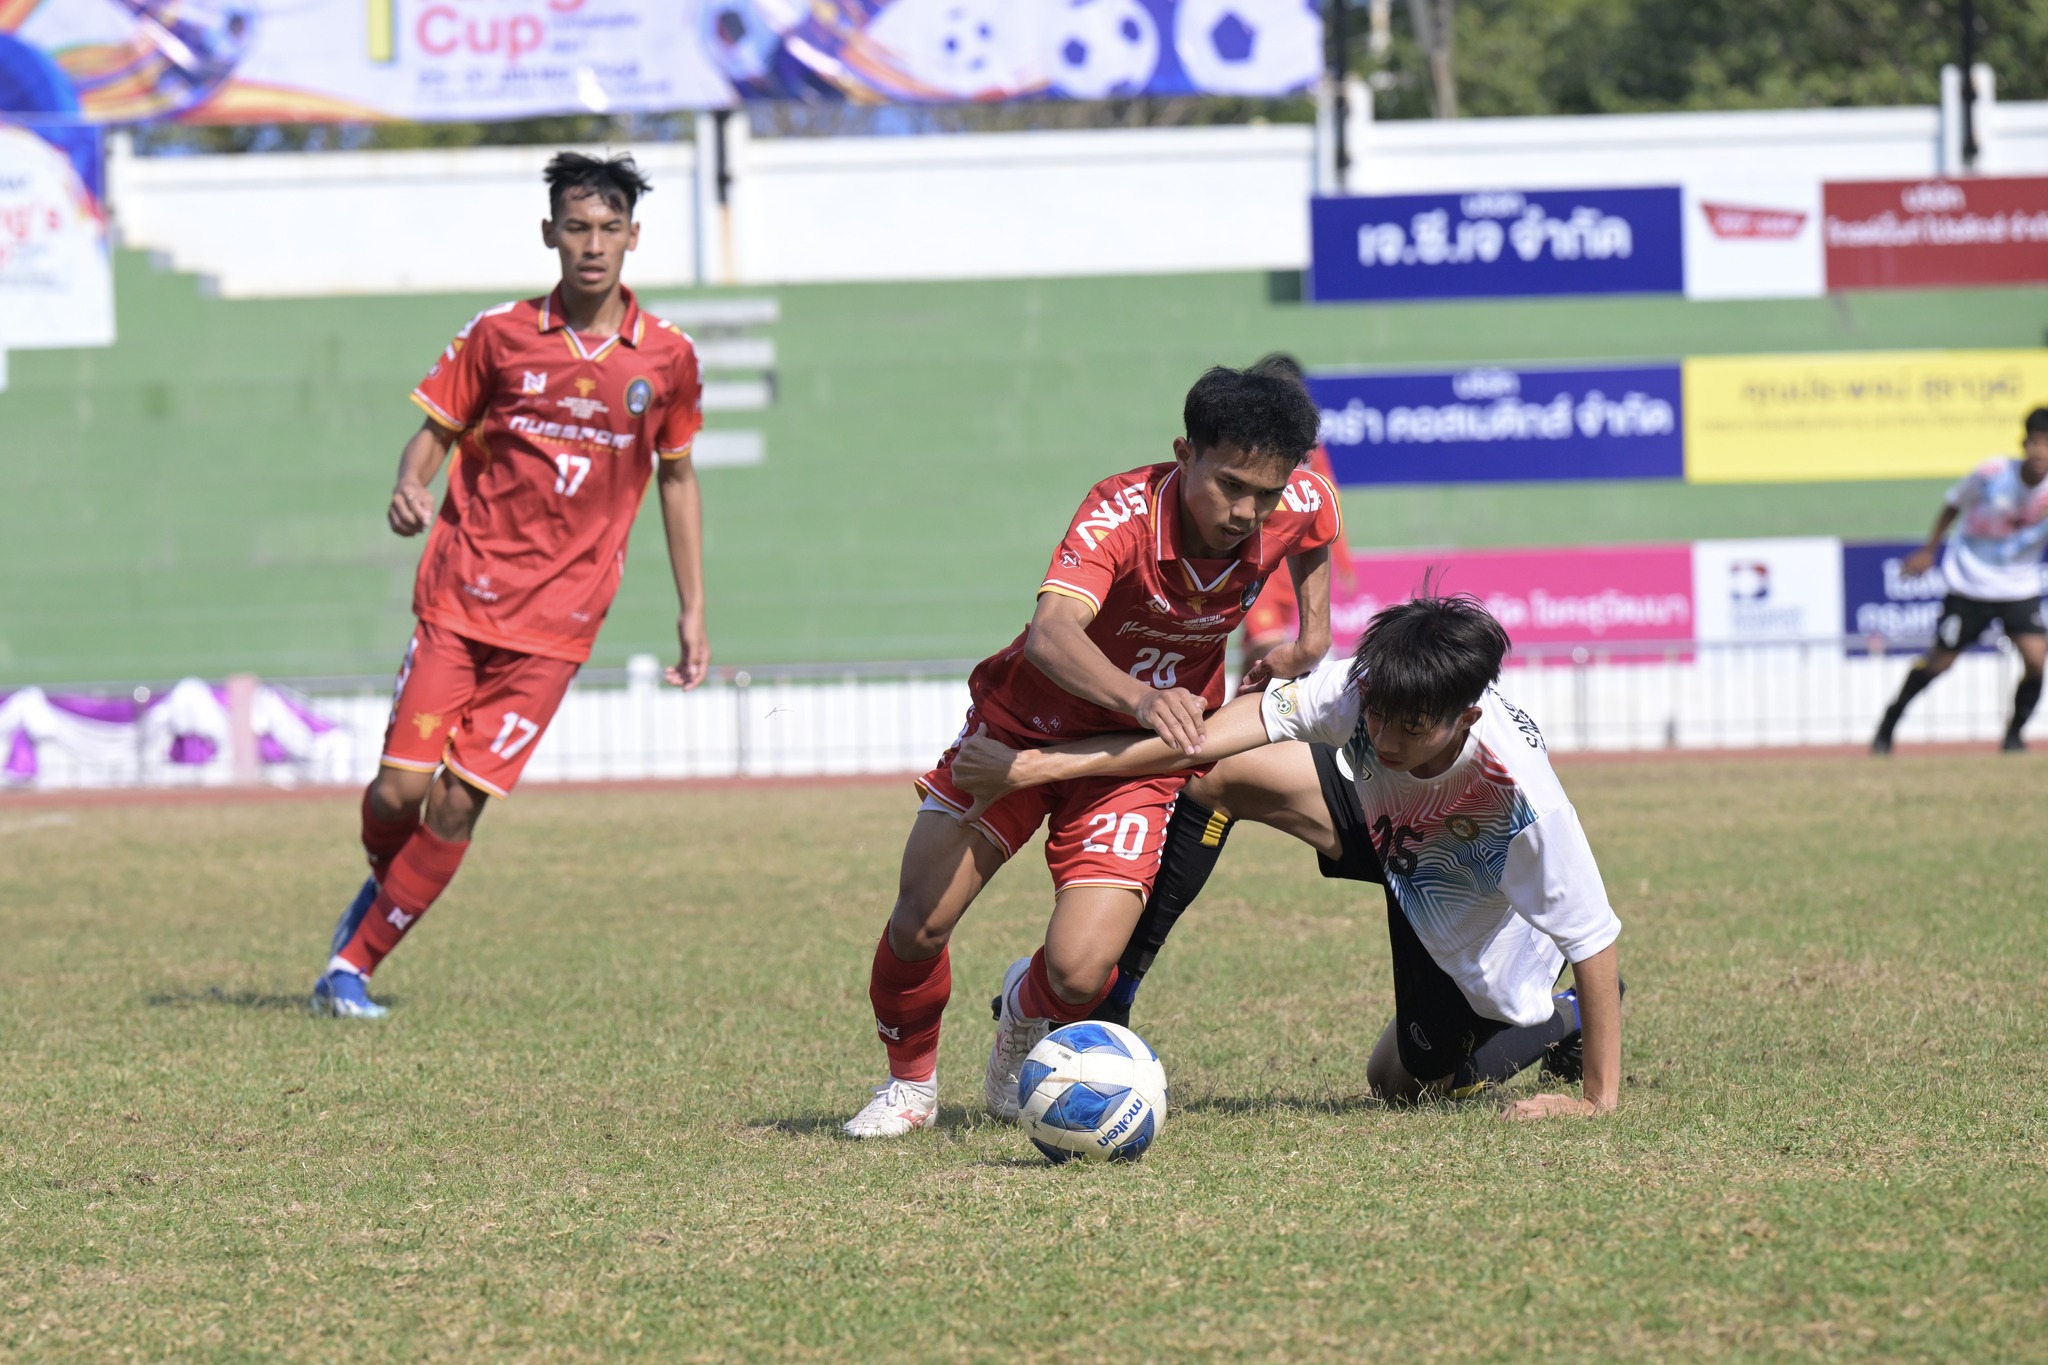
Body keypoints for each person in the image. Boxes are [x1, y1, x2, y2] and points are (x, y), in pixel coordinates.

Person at [842, 361, 1342, 1138]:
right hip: (1019, 733)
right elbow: (1051, 634)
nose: (1248, 511)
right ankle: (909, 1086)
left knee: (1081, 973)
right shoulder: (1119, 512)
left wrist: (1311, 637)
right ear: (1185, 454)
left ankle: (1022, 1011)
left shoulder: (1297, 499)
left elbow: (1316, 524)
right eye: (1230, 486)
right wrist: (1144, 696)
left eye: (1265, 494)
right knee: (920, 922)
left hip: (1133, 760)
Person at [950, 593, 1624, 1121]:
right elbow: (1198, 744)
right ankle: (1112, 999)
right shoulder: (1363, 691)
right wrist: (1038, 765)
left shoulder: (1523, 803)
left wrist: (1596, 1102)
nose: (1386, 739)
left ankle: (1559, 1016)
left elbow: (1593, 939)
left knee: (1401, 1083)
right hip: (1393, 834)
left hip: (1473, 909)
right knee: (1217, 777)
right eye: (1379, 718)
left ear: (1465, 719)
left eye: (1411, 728)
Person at [310, 152, 709, 1017]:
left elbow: (677, 479)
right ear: (549, 234)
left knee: (456, 805)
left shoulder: (668, 356)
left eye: (609, 228)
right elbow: (434, 434)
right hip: (461, 598)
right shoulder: (499, 334)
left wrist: (693, 608)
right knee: (400, 792)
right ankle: (382, 892)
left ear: (633, 237)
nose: (593, 244)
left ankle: (350, 966)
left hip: (560, 624)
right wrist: (409, 483)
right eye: (577, 227)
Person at [1874, 408, 2048, 755]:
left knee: (2036, 659)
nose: (2041, 451)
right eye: (2036, 442)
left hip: (2018, 586)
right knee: (1940, 663)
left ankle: (2014, 738)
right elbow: (1953, 504)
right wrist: (1929, 550)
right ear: (2024, 444)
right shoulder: (1992, 473)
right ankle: (1889, 723)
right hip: (1970, 581)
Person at [1235, 355, 1357, 692]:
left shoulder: (1311, 450)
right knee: (1269, 645)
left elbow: (1327, 503)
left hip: (1293, 570)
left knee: (1255, 659)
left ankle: (1228, 713)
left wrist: (1344, 561)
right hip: (1256, 565)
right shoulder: (1243, 444)